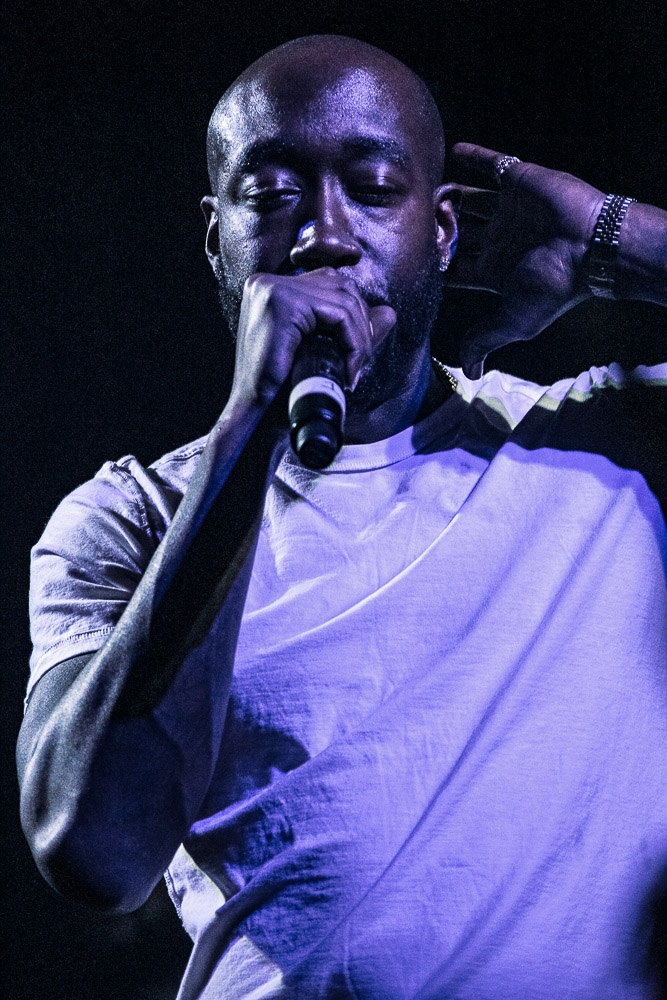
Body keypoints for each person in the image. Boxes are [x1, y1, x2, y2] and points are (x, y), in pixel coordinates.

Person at [16, 33, 667, 1000]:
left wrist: (603, 239)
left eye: (371, 185)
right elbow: (95, 851)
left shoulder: (606, 445)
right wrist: (248, 430)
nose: (322, 232)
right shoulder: (129, 517)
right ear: (215, 241)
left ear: (442, 230)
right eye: (269, 194)